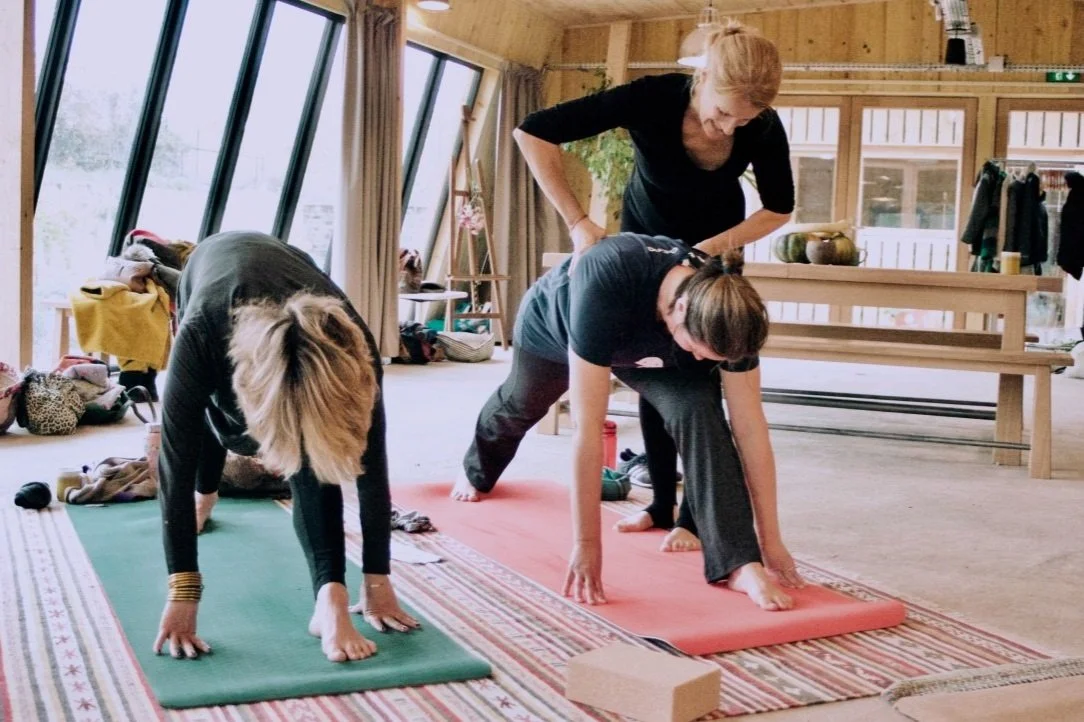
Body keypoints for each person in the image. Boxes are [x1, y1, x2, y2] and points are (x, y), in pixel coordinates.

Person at [511, 20, 795, 548]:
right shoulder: (653, 97)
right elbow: (533, 131)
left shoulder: (763, 125)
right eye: (723, 112)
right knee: (650, 369)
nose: (729, 128)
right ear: (702, 78)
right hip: (643, 253)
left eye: (743, 120)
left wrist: (709, 247)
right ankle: (661, 505)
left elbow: (779, 208)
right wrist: (578, 221)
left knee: (699, 382)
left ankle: (694, 519)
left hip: (714, 255)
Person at [451, 233, 806, 610]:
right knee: (523, 402)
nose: (703, 361)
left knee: (701, 413)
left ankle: (739, 563)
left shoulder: (729, 313)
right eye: (700, 351)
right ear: (681, 307)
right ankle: (476, 469)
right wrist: (587, 544)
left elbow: (750, 428)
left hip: (660, 343)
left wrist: (771, 542)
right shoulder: (609, 274)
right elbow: (587, 430)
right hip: (557, 328)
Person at [153, 231, 419, 663]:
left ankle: (329, 599)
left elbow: (372, 467)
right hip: (210, 274)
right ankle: (208, 496)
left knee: (314, 454)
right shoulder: (201, 331)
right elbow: (174, 464)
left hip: (289, 269)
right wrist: (183, 590)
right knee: (210, 417)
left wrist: (377, 580)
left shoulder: (353, 349)